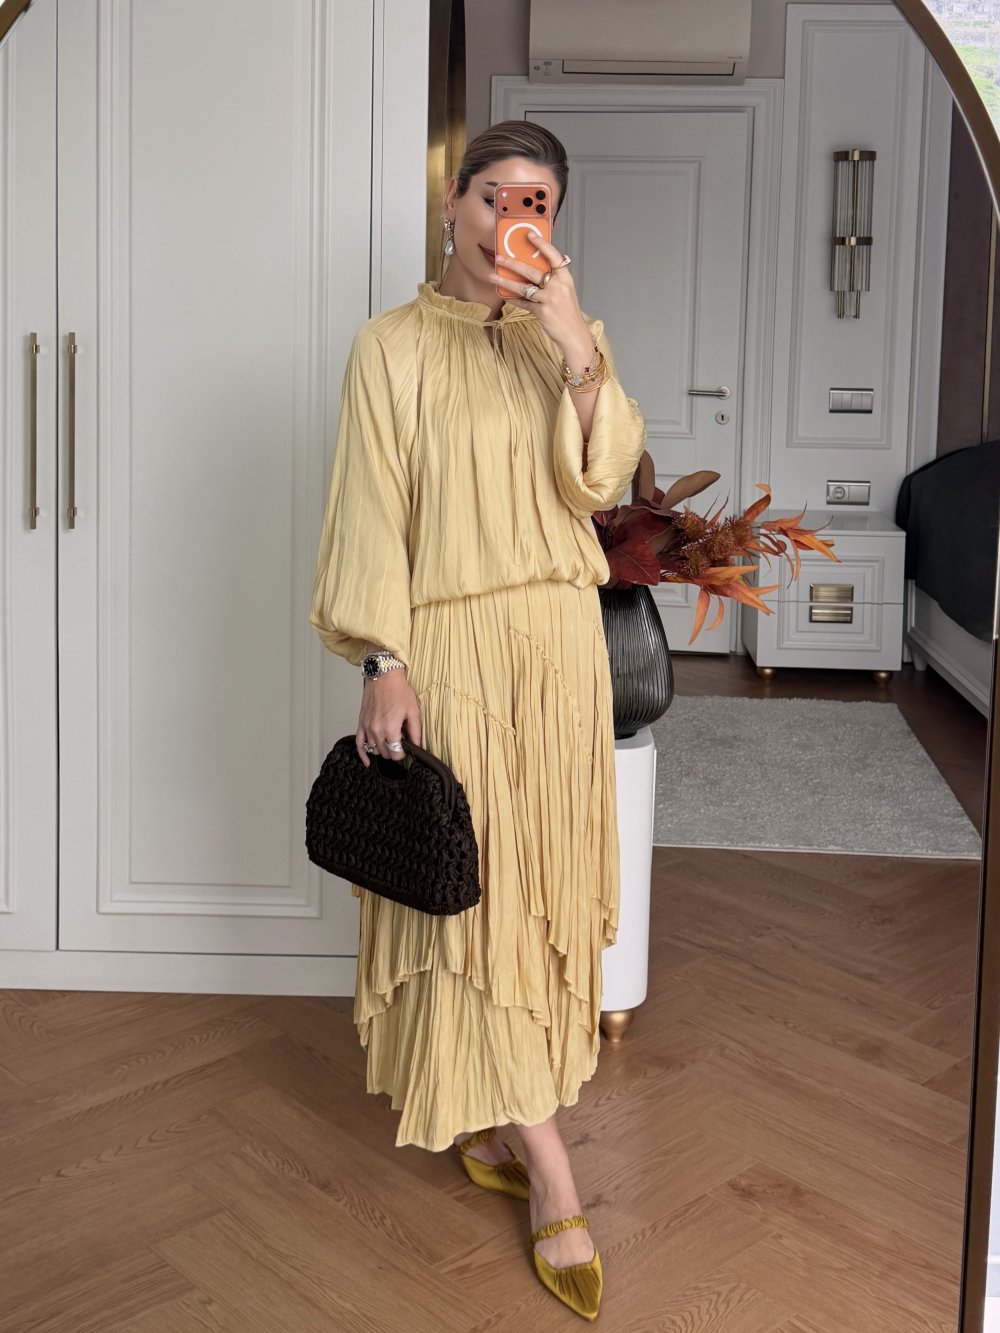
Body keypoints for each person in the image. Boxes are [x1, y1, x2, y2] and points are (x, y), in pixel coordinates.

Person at [309, 119, 647, 1322]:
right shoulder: (389, 346)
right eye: (497, 192)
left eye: (539, 199)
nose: (517, 215)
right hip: (450, 649)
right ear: (453, 206)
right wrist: (383, 658)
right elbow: (369, 507)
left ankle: (504, 1124)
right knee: (475, 900)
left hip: (556, 654)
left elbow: (600, 480)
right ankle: (552, 1171)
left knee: (534, 893)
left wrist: (575, 349)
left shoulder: (569, 340)